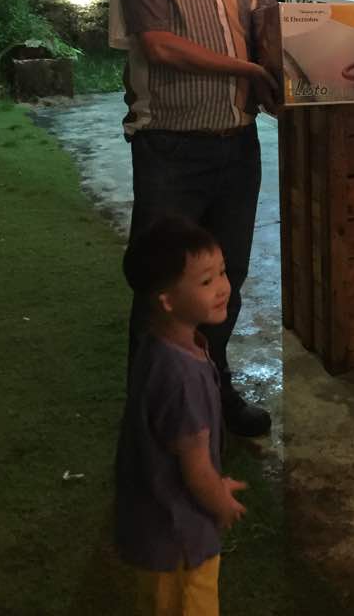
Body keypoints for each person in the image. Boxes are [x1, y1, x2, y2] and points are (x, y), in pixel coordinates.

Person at [110, 0, 278, 438]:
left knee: (222, 281)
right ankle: (152, 415)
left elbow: (265, 21)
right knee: (163, 283)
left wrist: (301, 70)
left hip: (237, 140)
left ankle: (213, 390)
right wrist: (250, 70)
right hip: (171, 146)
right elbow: (158, 45)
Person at [116, 216, 247, 616]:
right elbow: (195, 469)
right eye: (206, 281)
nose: (223, 287)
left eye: (222, 272)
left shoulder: (158, 345)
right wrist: (220, 500)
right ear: (168, 300)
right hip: (179, 542)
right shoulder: (181, 379)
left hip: (153, 526)